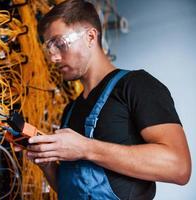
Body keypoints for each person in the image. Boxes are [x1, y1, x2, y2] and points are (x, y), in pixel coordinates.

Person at [22, 0, 191, 199]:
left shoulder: (137, 86)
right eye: (50, 49)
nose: (54, 58)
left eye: (60, 44)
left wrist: (86, 148)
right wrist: (47, 164)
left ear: (90, 37)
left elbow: (179, 167)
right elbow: (74, 190)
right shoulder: (71, 110)